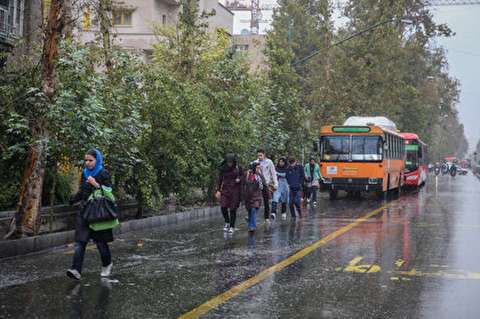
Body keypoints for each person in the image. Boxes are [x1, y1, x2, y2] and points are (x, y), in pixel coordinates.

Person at [67, 149, 114, 280]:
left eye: (90, 160)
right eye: (86, 160)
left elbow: (109, 192)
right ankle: (76, 270)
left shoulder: (103, 173)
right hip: (84, 211)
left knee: (100, 243)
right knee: (80, 242)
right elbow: (83, 191)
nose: (87, 163)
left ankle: (107, 264)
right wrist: (73, 199)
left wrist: (96, 185)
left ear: (97, 160)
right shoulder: (85, 173)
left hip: (98, 213)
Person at [216, 153, 243, 234]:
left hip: (235, 190)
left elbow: (243, 175)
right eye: (228, 162)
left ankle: (232, 226)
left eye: (231, 162)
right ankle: (227, 222)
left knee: (233, 209)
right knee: (223, 206)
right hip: (225, 189)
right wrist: (218, 190)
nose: (229, 164)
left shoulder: (238, 167)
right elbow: (220, 179)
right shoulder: (223, 168)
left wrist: (239, 179)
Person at [256, 149, 278, 223]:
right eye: (258, 155)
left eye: (260, 155)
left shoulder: (269, 162)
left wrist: (275, 183)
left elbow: (273, 173)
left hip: (266, 184)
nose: (259, 157)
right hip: (257, 184)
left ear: (264, 155)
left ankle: (266, 218)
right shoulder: (255, 162)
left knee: (266, 201)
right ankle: (252, 215)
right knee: (256, 200)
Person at [244, 162, 266, 232]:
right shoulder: (249, 175)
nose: (259, 169)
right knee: (250, 210)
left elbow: (263, 185)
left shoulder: (260, 176)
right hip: (249, 196)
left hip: (257, 197)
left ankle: (252, 226)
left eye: (259, 168)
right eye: (257, 168)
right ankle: (251, 224)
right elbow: (246, 184)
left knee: (254, 209)